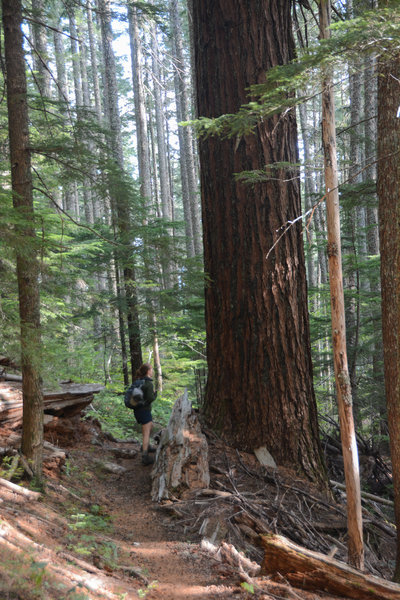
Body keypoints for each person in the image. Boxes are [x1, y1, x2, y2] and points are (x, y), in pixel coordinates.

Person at [132, 363, 157, 465]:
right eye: (151, 369)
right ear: (148, 371)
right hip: (144, 410)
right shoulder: (148, 383)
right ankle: (145, 456)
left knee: (150, 425)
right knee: (146, 433)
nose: (152, 371)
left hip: (138, 410)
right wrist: (155, 394)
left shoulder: (138, 381)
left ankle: (146, 446)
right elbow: (150, 398)